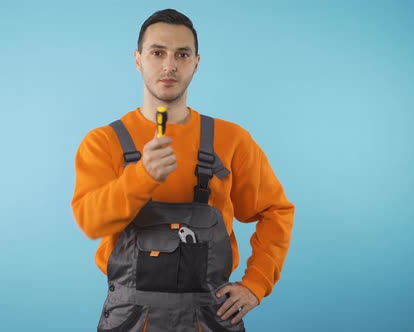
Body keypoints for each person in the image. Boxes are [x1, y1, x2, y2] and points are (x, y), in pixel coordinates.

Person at [71, 8, 294, 331]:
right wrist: (143, 177)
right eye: (157, 52)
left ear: (196, 63)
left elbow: (276, 211)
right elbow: (91, 221)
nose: (169, 65)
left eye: (182, 54)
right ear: (138, 59)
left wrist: (256, 283)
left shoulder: (232, 140)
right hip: (130, 319)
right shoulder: (103, 142)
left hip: (210, 318)